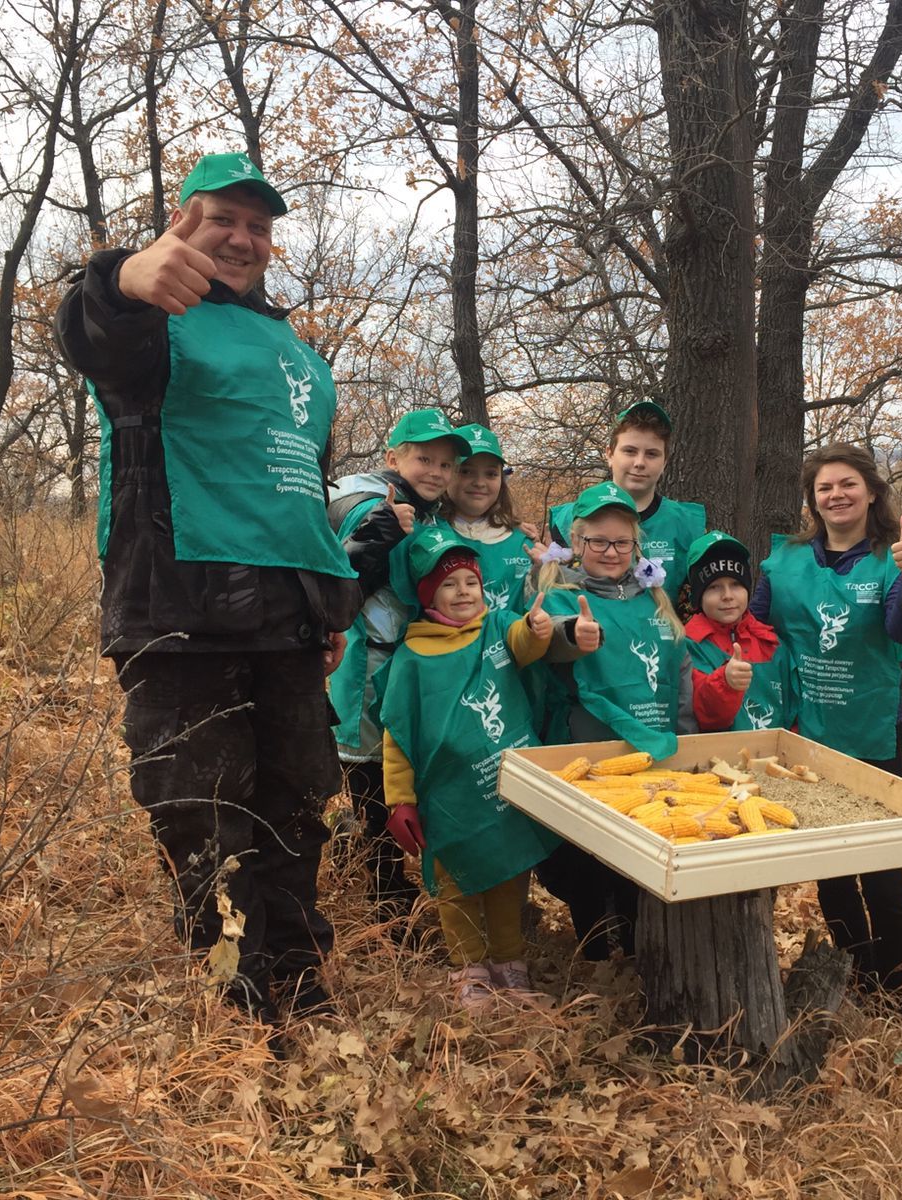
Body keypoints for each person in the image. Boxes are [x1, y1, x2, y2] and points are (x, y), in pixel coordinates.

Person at [55, 152, 360, 1028]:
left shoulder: (292, 347)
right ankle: (237, 996)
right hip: (181, 608)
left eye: (259, 227)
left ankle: (302, 977)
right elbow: (91, 331)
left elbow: (301, 481)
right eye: (224, 218)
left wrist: (327, 602)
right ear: (185, 219)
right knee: (203, 813)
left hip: (288, 619)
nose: (242, 238)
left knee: (300, 800)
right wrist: (119, 278)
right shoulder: (154, 317)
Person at [379, 528, 601, 1006]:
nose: (463, 592)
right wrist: (399, 798)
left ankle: (510, 962)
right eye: (449, 584)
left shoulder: (498, 626)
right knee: (458, 889)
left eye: (470, 583)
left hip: (505, 789)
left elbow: (525, 641)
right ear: (428, 595)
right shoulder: (413, 656)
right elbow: (397, 733)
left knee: (508, 880)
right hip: (449, 798)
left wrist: (537, 628)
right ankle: (470, 970)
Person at [752, 443, 902, 1017]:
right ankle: (858, 978)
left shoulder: (890, 559)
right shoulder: (785, 563)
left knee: (882, 875)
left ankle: (900, 997)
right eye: (824, 487)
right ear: (813, 500)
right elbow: (751, 628)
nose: (836, 495)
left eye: (847, 484)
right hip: (807, 740)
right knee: (830, 873)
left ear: (871, 492)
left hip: (872, 737)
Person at [532, 481, 697, 959]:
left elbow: (678, 676)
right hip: (590, 759)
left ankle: (635, 952)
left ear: (636, 545)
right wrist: (572, 635)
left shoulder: (655, 600)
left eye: (621, 542)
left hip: (650, 759)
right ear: (577, 544)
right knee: (585, 869)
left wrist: (684, 741)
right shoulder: (563, 595)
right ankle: (594, 959)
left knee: (636, 867)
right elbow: (545, 641)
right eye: (597, 541)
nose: (610, 551)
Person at [326, 410, 470, 932]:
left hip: (402, 672)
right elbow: (340, 585)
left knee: (391, 781)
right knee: (372, 783)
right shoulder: (372, 503)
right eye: (423, 458)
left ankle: (360, 855)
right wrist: (380, 530)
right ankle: (389, 904)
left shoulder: (425, 510)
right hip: (364, 671)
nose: (435, 470)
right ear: (394, 458)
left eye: (445, 464)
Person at [547, 399, 707, 598]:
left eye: (652, 454)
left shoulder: (688, 525)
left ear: (665, 462)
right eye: (630, 451)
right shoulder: (566, 521)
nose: (639, 463)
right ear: (610, 454)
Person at [681, 532, 795, 733]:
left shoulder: (773, 644)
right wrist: (725, 682)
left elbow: (793, 712)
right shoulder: (687, 645)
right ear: (698, 596)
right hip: (718, 760)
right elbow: (704, 715)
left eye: (735, 585)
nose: (727, 596)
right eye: (714, 587)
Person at [443, 423, 537, 612]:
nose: (479, 482)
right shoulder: (429, 532)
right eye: (466, 471)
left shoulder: (522, 543)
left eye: (491, 474)